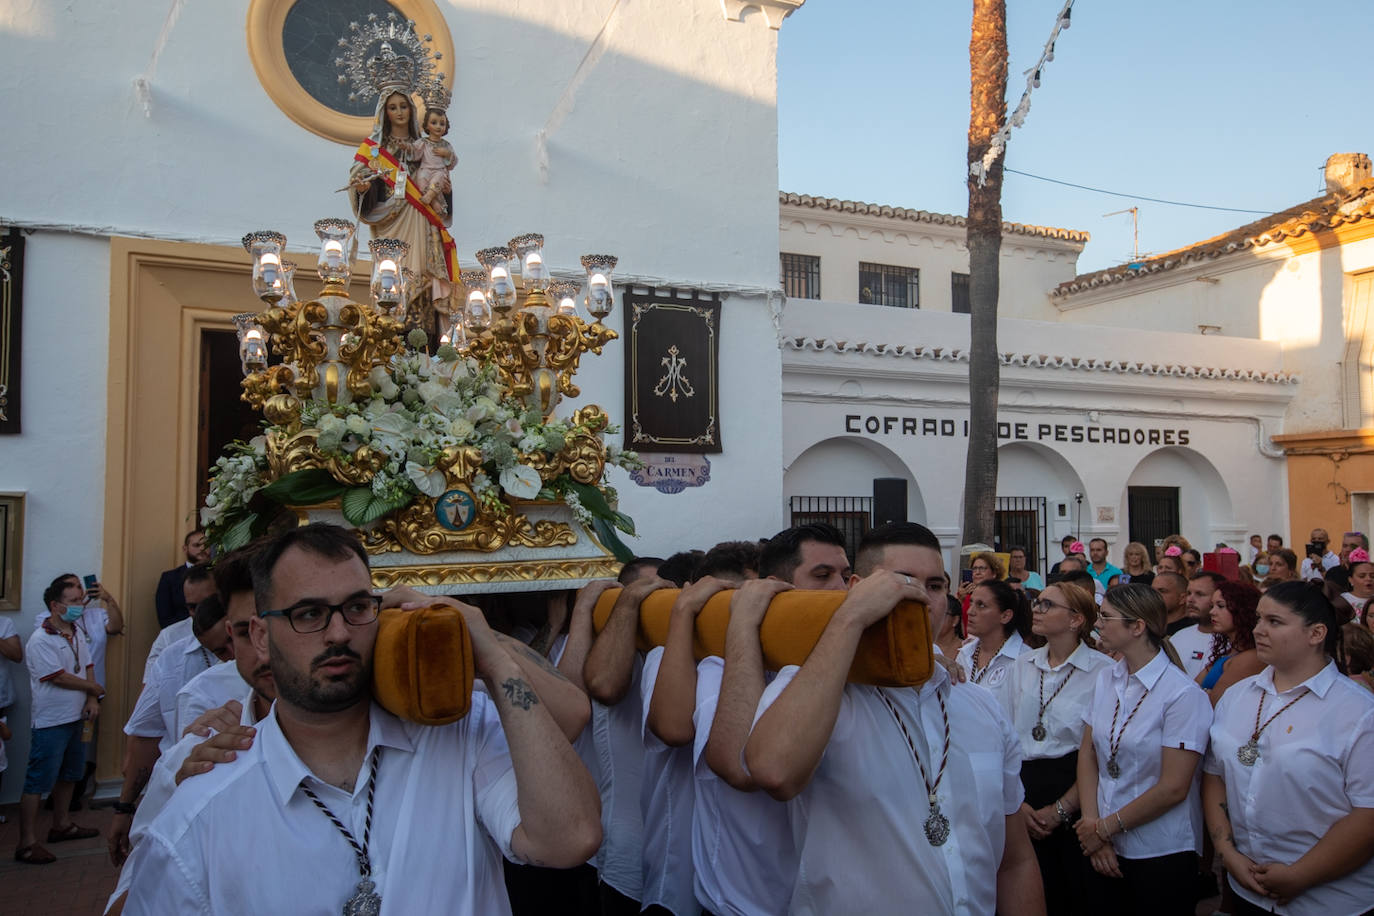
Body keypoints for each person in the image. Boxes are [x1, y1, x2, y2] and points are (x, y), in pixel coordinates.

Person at [124, 523, 602, 913]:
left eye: (356, 607)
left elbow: (570, 838)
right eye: (308, 614)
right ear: (260, 637)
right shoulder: (200, 815)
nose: (338, 632)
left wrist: (494, 661)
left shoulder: (456, 733)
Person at [745, 522, 1045, 915]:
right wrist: (849, 618)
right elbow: (774, 771)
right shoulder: (810, 690)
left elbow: (1015, 860)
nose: (921, 597)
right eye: (901, 581)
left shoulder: (980, 704)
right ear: (858, 589)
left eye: (936, 586)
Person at [1202, 582, 1374, 915]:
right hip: (1246, 889)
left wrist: (1301, 875)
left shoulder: (1358, 712)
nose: (1257, 630)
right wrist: (1228, 853)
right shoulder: (1237, 696)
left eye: (1274, 622)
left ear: (1316, 633)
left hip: (1330, 902)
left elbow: (1368, 814)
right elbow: (1215, 776)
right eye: (1257, 619)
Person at [1075, 583, 1213, 915]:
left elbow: (1173, 787)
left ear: (1137, 627)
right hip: (1103, 842)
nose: (1097, 624)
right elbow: (1089, 753)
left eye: (1106, 617)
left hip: (1159, 849)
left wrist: (1104, 829)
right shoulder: (1107, 678)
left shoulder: (1181, 694)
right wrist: (1093, 823)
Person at [1005, 580, 1112, 916]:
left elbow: (1099, 753)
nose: (1037, 609)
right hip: (1022, 785)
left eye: (1048, 604)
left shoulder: (1103, 672)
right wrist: (1016, 802)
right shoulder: (1022, 665)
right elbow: (1003, 735)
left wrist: (1062, 809)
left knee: (1073, 892)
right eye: (1037, 602)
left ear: (1076, 619)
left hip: (1075, 785)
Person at [14, 575, 105, 865]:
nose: (79, 606)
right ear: (55, 605)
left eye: (80, 601)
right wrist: (92, 689)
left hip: (79, 717)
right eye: (73, 602)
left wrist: (92, 699)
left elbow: (88, 665)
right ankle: (27, 842)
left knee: (70, 775)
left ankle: (61, 824)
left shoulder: (76, 631)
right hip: (51, 721)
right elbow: (58, 677)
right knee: (37, 780)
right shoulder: (40, 640)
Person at [349, 89, 455, 310]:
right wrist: (364, 189)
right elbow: (363, 178)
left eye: (404, 106)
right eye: (393, 107)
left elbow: (441, 174)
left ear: (412, 109)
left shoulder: (424, 145)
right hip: (391, 222)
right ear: (384, 112)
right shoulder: (377, 149)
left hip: (423, 219)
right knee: (391, 282)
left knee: (424, 279)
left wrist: (445, 189)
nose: (399, 112)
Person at [957, 579, 1032, 705]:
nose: (970, 611)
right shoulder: (964, 654)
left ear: (1005, 616)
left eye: (981, 605)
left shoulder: (1024, 660)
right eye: (971, 603)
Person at [143, 565, 216, 679]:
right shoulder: (168, 637)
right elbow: (149, 691)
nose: (200, 612)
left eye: (206, 604)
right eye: (192, 607)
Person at [1199, 580, 1264, 705]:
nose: (1212, 612)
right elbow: (1190, 693)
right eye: (1212, 606)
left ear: (1242, 610)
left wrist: (1204, 694)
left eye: (1221, 606)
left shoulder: (1251, 658)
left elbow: (1212, 704)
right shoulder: (1229, 653)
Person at [154, 530, 209, 629]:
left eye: (206, 545)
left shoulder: (219, 573)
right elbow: (164, 618)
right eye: (196, 545)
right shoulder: (169, 578)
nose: (202, 548)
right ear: (185, 549)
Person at [411, 106, 456, 215]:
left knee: (439, 178)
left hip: (439, 171)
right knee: (421, 179)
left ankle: (430, 196)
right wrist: (407, 147)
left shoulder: (446, 145)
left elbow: (453, 163)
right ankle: (434, 202)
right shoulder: (423, 142)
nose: (438, 126)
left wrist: (447, 154)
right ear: (427, 125)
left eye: (442, 124)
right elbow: (415, 152)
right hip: (425, 169)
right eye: (434, 122)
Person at [1150, 572, 1190, 636]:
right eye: (1152, 591)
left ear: (1182, 598)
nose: (1154, 595)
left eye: (1162, 591)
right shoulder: (1146, 627)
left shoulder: (1191, 630)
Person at [1340, 548, 1374, 624]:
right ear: (1351, 580)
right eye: (1362, 576)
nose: (1368, 579)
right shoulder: (1342, 601)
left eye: (1372, 576)